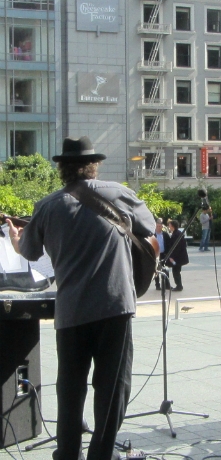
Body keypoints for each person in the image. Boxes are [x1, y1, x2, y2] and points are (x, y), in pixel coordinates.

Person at [6, 136, 155, 460]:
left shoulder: (47, 206)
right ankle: (101, 454)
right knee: (112, 390)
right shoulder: (119, 194)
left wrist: (17, 240)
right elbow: (150, 225)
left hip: (72, 312)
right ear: (94, 165)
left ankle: (68, 455)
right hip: (116, 307)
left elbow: (30, 251)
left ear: (62, 169)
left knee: (70, 392)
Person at [166, 219, 188, 292]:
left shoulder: (176, 235)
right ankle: (179, 285)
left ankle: (179, 286)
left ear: (173, 226)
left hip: (177, 258)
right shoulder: (178, 233)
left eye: (170, 225)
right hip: (179, 257)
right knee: (176, 271)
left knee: (176, 272)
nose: (169, 226)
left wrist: (172, 258)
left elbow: (176, 248)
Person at [154, 217, 171, 290]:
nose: (158, 227)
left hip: (164, 254)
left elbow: (169, 244)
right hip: (156, 255)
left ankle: (167, 285)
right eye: (157, 226)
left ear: (162, 226)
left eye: (160, 226)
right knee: (157, 270)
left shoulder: (165, 234)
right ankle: (157, 285)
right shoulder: (152, 235)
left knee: (165, 270)